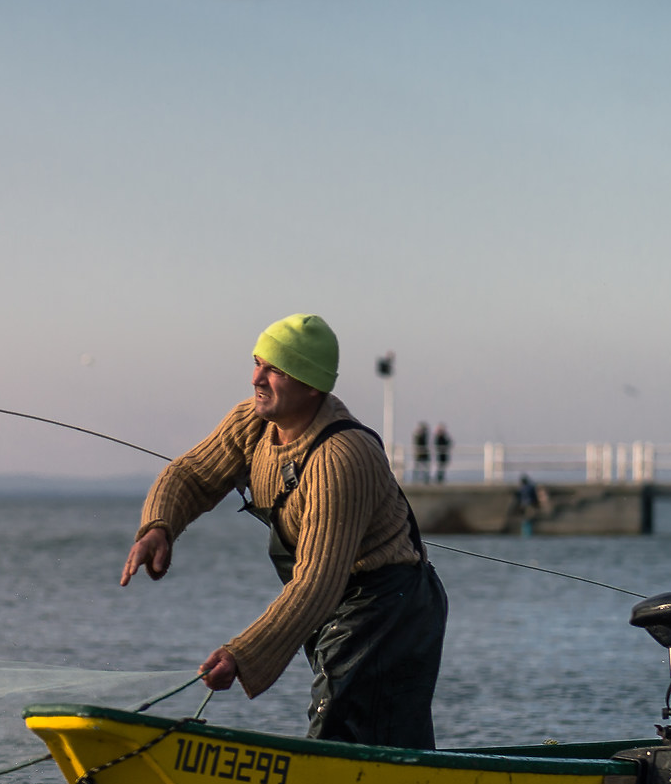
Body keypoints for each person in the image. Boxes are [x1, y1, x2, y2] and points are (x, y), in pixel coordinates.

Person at [121, 314, 447, 748]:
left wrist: (242, 654)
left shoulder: (340, 457)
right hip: (338, 605)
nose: (257, 377)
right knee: (374, 739)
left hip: (388, 606)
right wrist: (158, 527)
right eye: (257, 363)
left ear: (311, 386)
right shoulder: (252, 424)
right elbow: (192, 475)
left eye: (275, 369)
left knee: (345, 730)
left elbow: (316, 583)